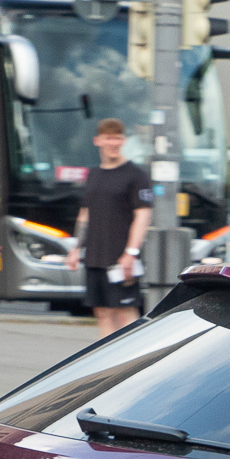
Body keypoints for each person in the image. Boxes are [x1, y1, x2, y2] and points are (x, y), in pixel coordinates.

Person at [63, 118, 152, 337]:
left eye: (117, 138)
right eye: (108, 138)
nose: (113, 143)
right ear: (97, 141)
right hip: (95, 257)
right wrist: (76, 248)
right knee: (102, 312)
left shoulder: (135, 175)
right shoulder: (93, 175)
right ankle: (111, 365)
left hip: (121, 259)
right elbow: (85, 214)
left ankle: (133, 364)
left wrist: (131, 253)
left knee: (125, 313)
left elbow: (143, 215)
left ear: (124, 141)